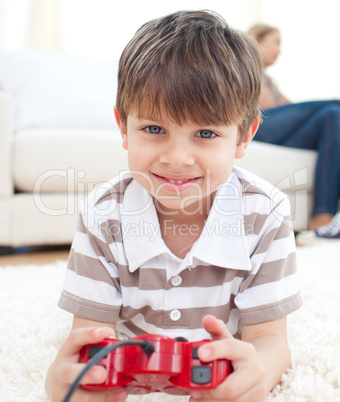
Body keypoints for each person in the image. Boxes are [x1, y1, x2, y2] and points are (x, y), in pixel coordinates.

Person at [45, 11, 302, 402]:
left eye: (205, 133)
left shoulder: (265, 213)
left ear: (242, 137)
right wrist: (76, 379)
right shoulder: (103, 213)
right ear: (123, 127)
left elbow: (269, 339)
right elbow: (91, 334)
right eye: (154, 129)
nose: (177, 158)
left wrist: (256, 376)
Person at [248, 24, 340, 233]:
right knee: (336, 105)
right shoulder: (243, 68)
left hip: (279, 131)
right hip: (258, 127)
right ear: (256, 40)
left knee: (332, 116)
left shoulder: (270, 80)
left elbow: (292, 109)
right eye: (276, 42)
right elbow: (269, 109)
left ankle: (324, 216)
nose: (279, 50)